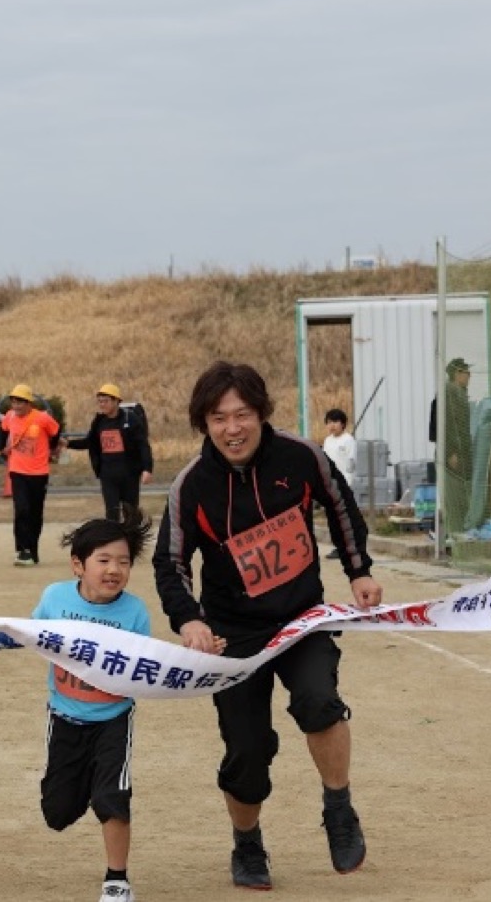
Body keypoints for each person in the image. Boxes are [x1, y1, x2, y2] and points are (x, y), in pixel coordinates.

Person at [152, 360, 383, 891]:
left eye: (242, 415)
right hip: (233, 634)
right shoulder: (191, 485)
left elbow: (341, 506)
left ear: (261, 414)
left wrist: (359, 571)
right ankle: (247, 843)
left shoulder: (301, 456)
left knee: (318, 701)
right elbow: (171, 560)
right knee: (247, 749)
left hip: (302, 619)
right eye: (219, 418)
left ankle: (339, 807)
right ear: (204, 424)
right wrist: (189, 619)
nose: (232, 428)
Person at [0, 506, 179, 902]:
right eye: (103, 560)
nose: (114, 570)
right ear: (78, 565)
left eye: (123, 562)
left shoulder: (134, 612)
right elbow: (29, 633)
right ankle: (88, 785)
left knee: (112, 798)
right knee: (57, 813)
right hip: (64, 718)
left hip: (113, 721)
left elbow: (148, 664)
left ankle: (117, 881)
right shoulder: (55, 598)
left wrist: (200, 661)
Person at [63, 383, 154, 521]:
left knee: (131, 512)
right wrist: (68, 443)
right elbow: (90, 442)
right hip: (108, 475)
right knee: (111, 512)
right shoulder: (99, 422)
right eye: (100, 402)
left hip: (129, 474)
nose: (102, 405)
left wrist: (147, 469)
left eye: (105, 401)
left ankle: (131, 535)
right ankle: (113, 535)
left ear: (116, 401)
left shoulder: (130, 419)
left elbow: (143, 445)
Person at [1, 384, 62, 566]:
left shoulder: (42, 418)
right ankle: (22, 550)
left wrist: (52, 449)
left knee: (35, 513)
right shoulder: (10, 416)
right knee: (22, 510)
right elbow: (3, 429)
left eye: (20, 402)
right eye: (13, 402)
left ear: (29, 403)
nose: (16, 406)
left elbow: (56, 431)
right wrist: (3, 446)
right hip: (17, 471)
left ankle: (32, 550)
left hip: (39, 472)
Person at [435, 358, 473, 535]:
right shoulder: (450, 392)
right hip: (452, 454)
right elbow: (448, 424)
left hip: (461, 452)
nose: (469, 376)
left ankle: (459, 531)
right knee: (455, 497)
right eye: (466, 372)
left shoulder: (459, 392)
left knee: (462, 496)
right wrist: (451, 451)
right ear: (457, 374)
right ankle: (455, 534)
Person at [321, 409, 357, 558]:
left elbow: (351, 464)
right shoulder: (327, 441)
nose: (332, 425)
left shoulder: (348, 440)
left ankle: (349, 547)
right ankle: (338, 546)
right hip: (330, 485)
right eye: (329, 422)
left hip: (343, 485)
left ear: (343, 424)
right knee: (333, 518)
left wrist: (347, 484)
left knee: (345, 518)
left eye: (335, 422)